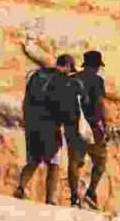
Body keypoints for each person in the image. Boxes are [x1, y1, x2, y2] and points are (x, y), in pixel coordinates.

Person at [15, 44, 85, 206]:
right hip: (50, 127)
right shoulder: (64, 81)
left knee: (34, 160)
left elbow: (27, 101)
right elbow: (64, 108)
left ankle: (20, 187)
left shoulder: (37, 76)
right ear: (67, 66)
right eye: (70, 69)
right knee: (54, 163)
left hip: (32, 126)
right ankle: (50, 199)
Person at [74, 49, 111, 209]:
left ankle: (74, 196)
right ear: (96, 66)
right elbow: (100, 104)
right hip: (92, 126)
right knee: (101, 161)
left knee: (74, 162)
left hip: (73, 126)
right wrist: (104, 125)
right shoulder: (97, 81)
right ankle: (90, 191)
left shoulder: (73, 79)